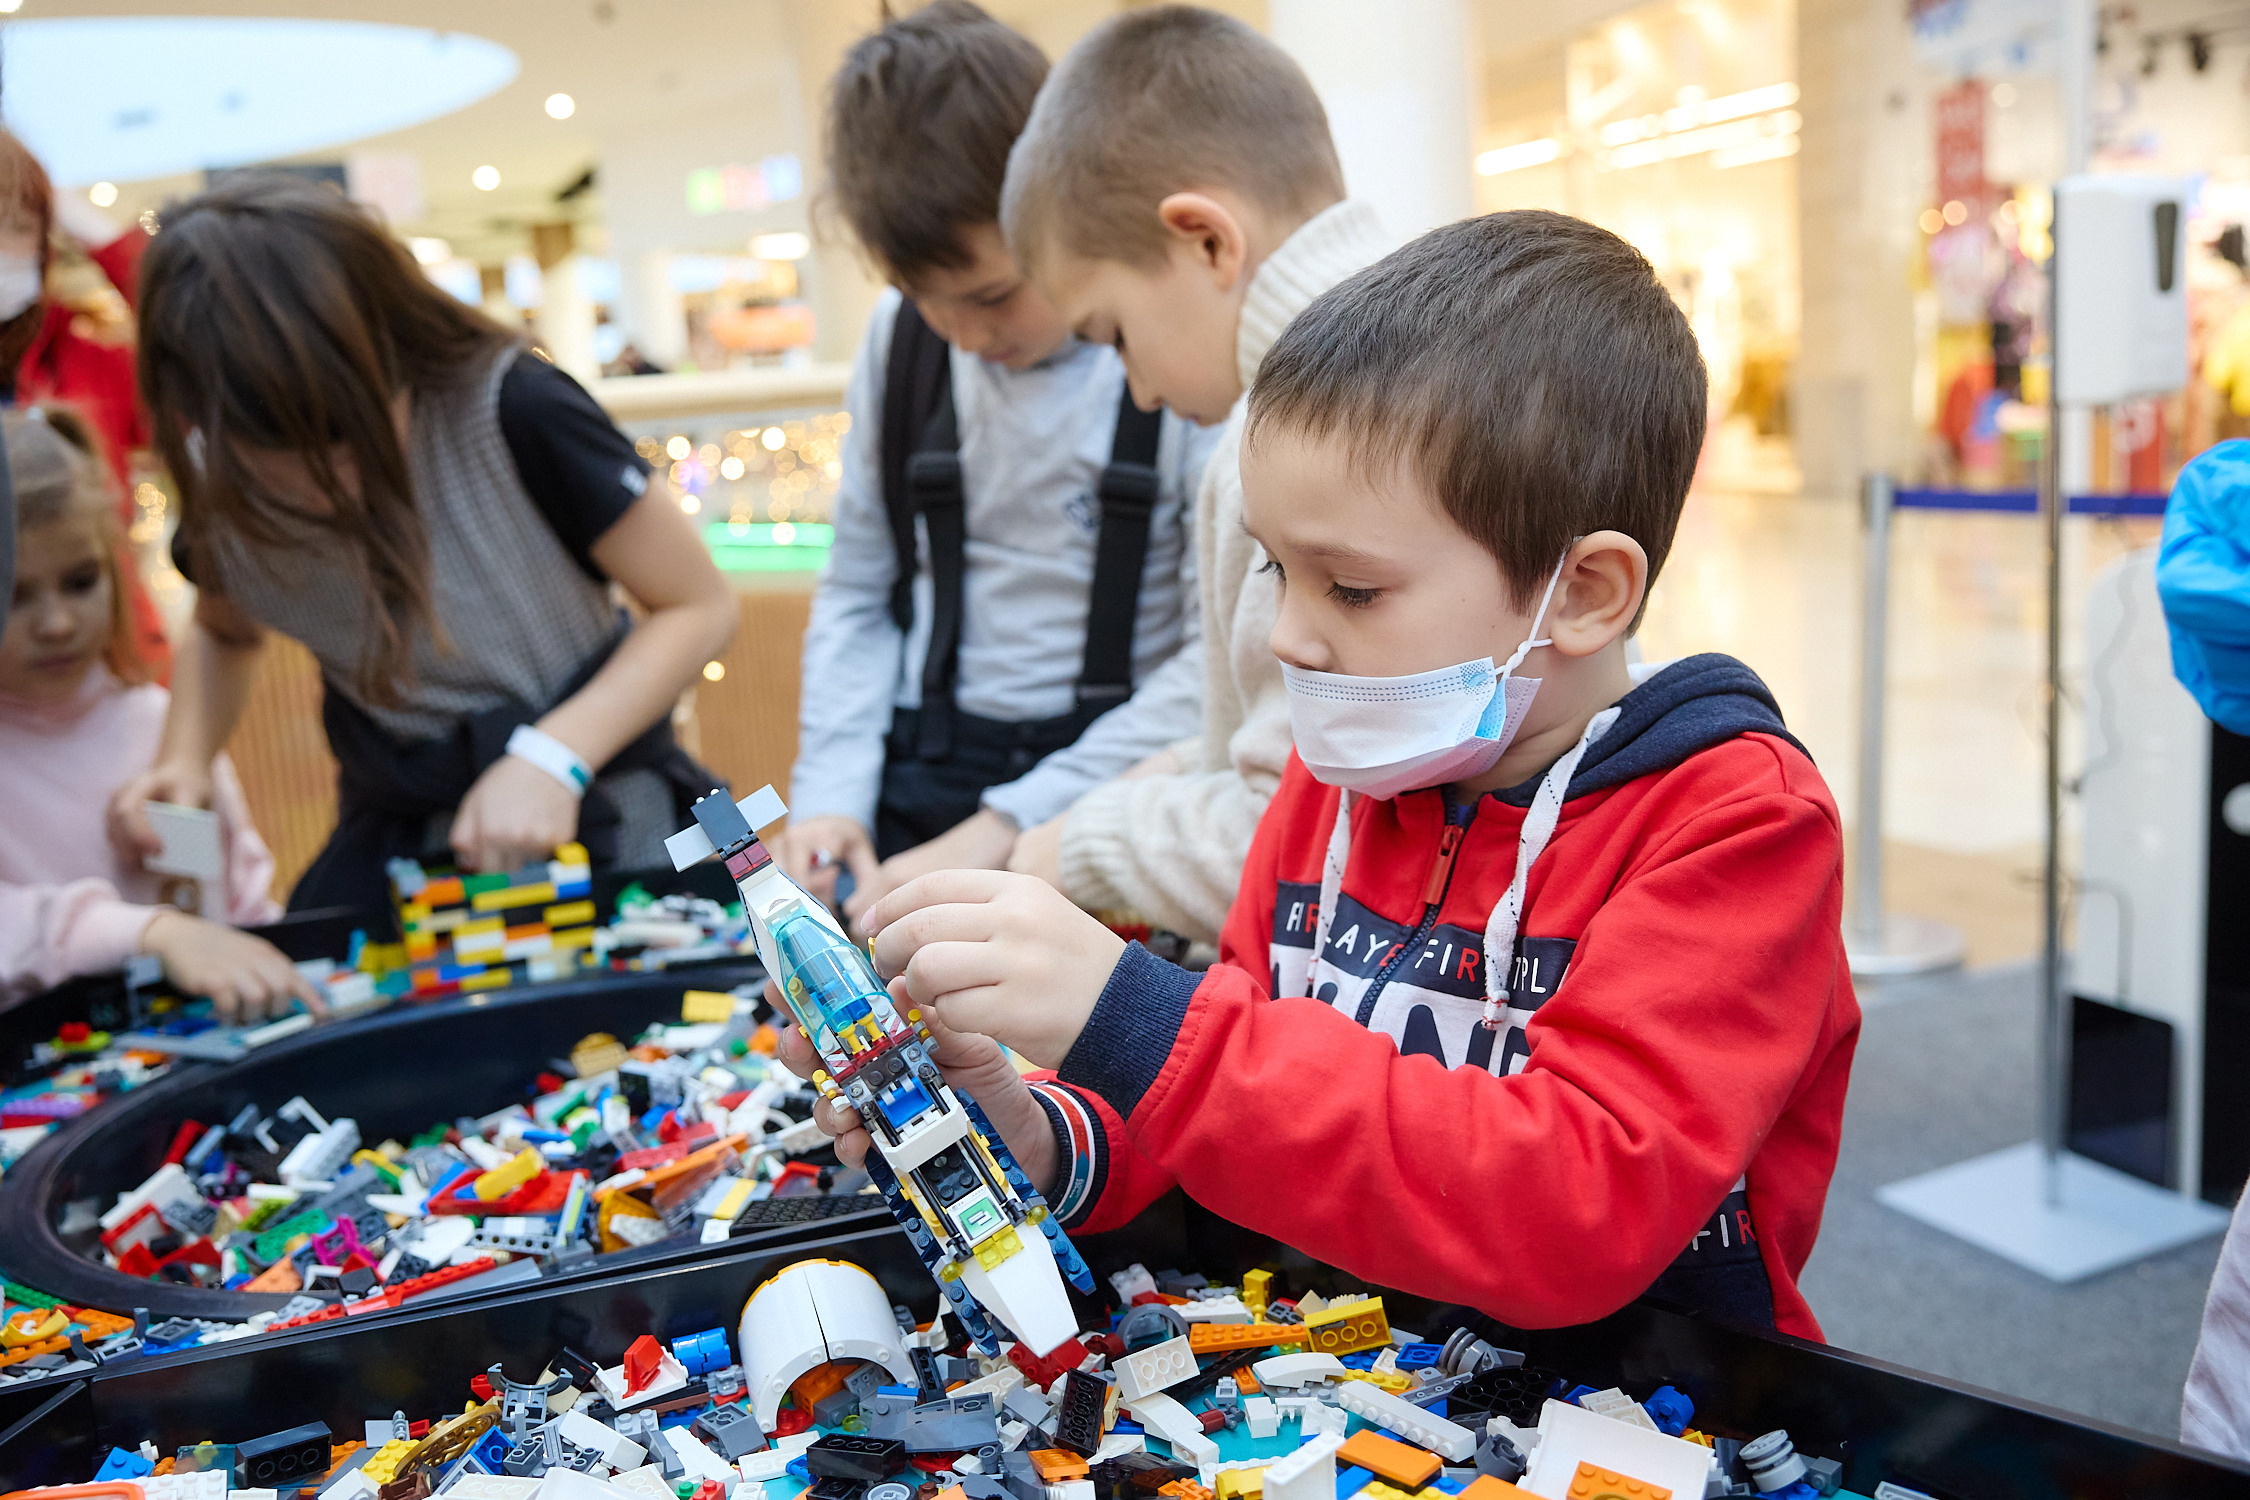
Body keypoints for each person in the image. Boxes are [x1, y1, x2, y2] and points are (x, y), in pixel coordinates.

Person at [795, 214, 1861, 1339]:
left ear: (1588, 591)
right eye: (1273, 568)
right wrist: (1036, 1129)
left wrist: (1137, 1016)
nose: (1288, 640)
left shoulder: (1736, 830)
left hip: (1655, 1413)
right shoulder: (1339, 782)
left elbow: (1576, 1210)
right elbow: (1214, 1119)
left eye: (1350, 590)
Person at [107, 176, 737, 912]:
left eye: (352, 444)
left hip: (629, 807)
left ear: (393, 350)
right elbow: (223, 631)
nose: (332, 490)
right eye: (289, 465)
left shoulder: (515, 404)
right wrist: (184, 760)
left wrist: (554, 756)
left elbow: (699, 604)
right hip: (403, 844)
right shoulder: (221, 483)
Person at [775, 1, 1214, 931]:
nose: (966, 337)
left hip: (1111, 780)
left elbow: (1212, 664)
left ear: (1060, 207)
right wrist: (832, 798)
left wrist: (1007, 826)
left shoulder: (1175, 356)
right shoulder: (903, 347)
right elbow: (861, 588)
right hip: (925, 767)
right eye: (923, 300)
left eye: (992, 295)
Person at [987, 5, 1393, 941]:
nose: (1133, 385)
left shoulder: (1284, 435)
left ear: (1207, 240)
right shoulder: (1446, 346)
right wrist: (1166, 773)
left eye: (1113, 334)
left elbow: (1312, 841)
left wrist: (1073, 847)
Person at [0, 407, 315, 1018]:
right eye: (15, 595)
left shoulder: (162, 728)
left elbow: (234, 904)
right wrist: (155, 933)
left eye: (81, 580)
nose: (57, 623)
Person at [0, 130, 169, 678]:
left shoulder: (88, 355)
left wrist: (100, 234)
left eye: (18, 227)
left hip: (112, 663)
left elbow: (200, 335)